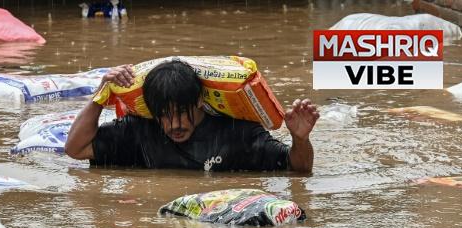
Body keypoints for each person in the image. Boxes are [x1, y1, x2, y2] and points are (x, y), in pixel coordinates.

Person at [65, 60, 319, 173]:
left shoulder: (237, 133)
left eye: (180, 113)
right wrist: (101, 95)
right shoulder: (138, 131)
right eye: (164, 116)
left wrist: (300, 139)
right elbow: (76, 148)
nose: (174, 124)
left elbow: (298, 169)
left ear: (199, 101)